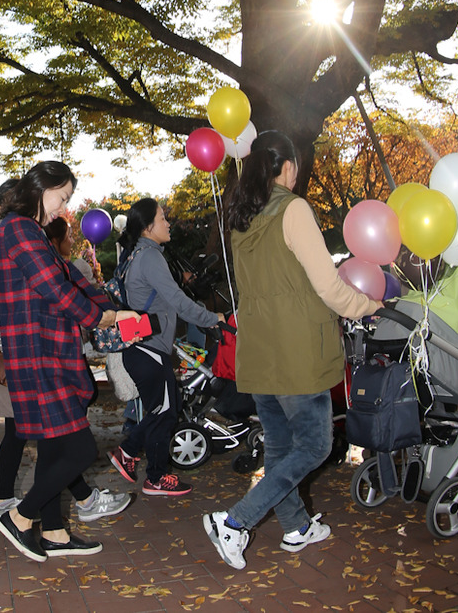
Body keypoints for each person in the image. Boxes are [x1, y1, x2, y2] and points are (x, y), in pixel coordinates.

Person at [203, 131, 383, 570]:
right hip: (298, 350)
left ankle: (297, 526)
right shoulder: (294, 209)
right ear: (286, 166)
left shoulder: (241, 216)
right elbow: (329, 287)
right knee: (316, 446)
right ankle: (235, 522)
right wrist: (373, 307)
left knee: (282, 448)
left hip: (259, 348)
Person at [0, 161, 138, 561]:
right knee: (78, 450)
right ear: (42, 187)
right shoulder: (18, 228)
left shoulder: (29, 230)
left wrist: (115, 307)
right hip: (39, 355)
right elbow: (55, 289)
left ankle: (55, 534)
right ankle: (20, 517)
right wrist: (105, 317)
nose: (63, 207)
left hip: (47, 352)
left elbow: (72, 283)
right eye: (62, 196)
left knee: (56, 452)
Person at [107, 199, 224, 496]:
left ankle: (156, 475)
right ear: (148, 227)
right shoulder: (149, 256)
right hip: (147, 349)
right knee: (165, 411)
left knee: (163, 411)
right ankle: (132, 454)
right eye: (162, 218)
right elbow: (178, 302)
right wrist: (213, 319)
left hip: (146, 348)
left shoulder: (139, 255)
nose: (168, 223)